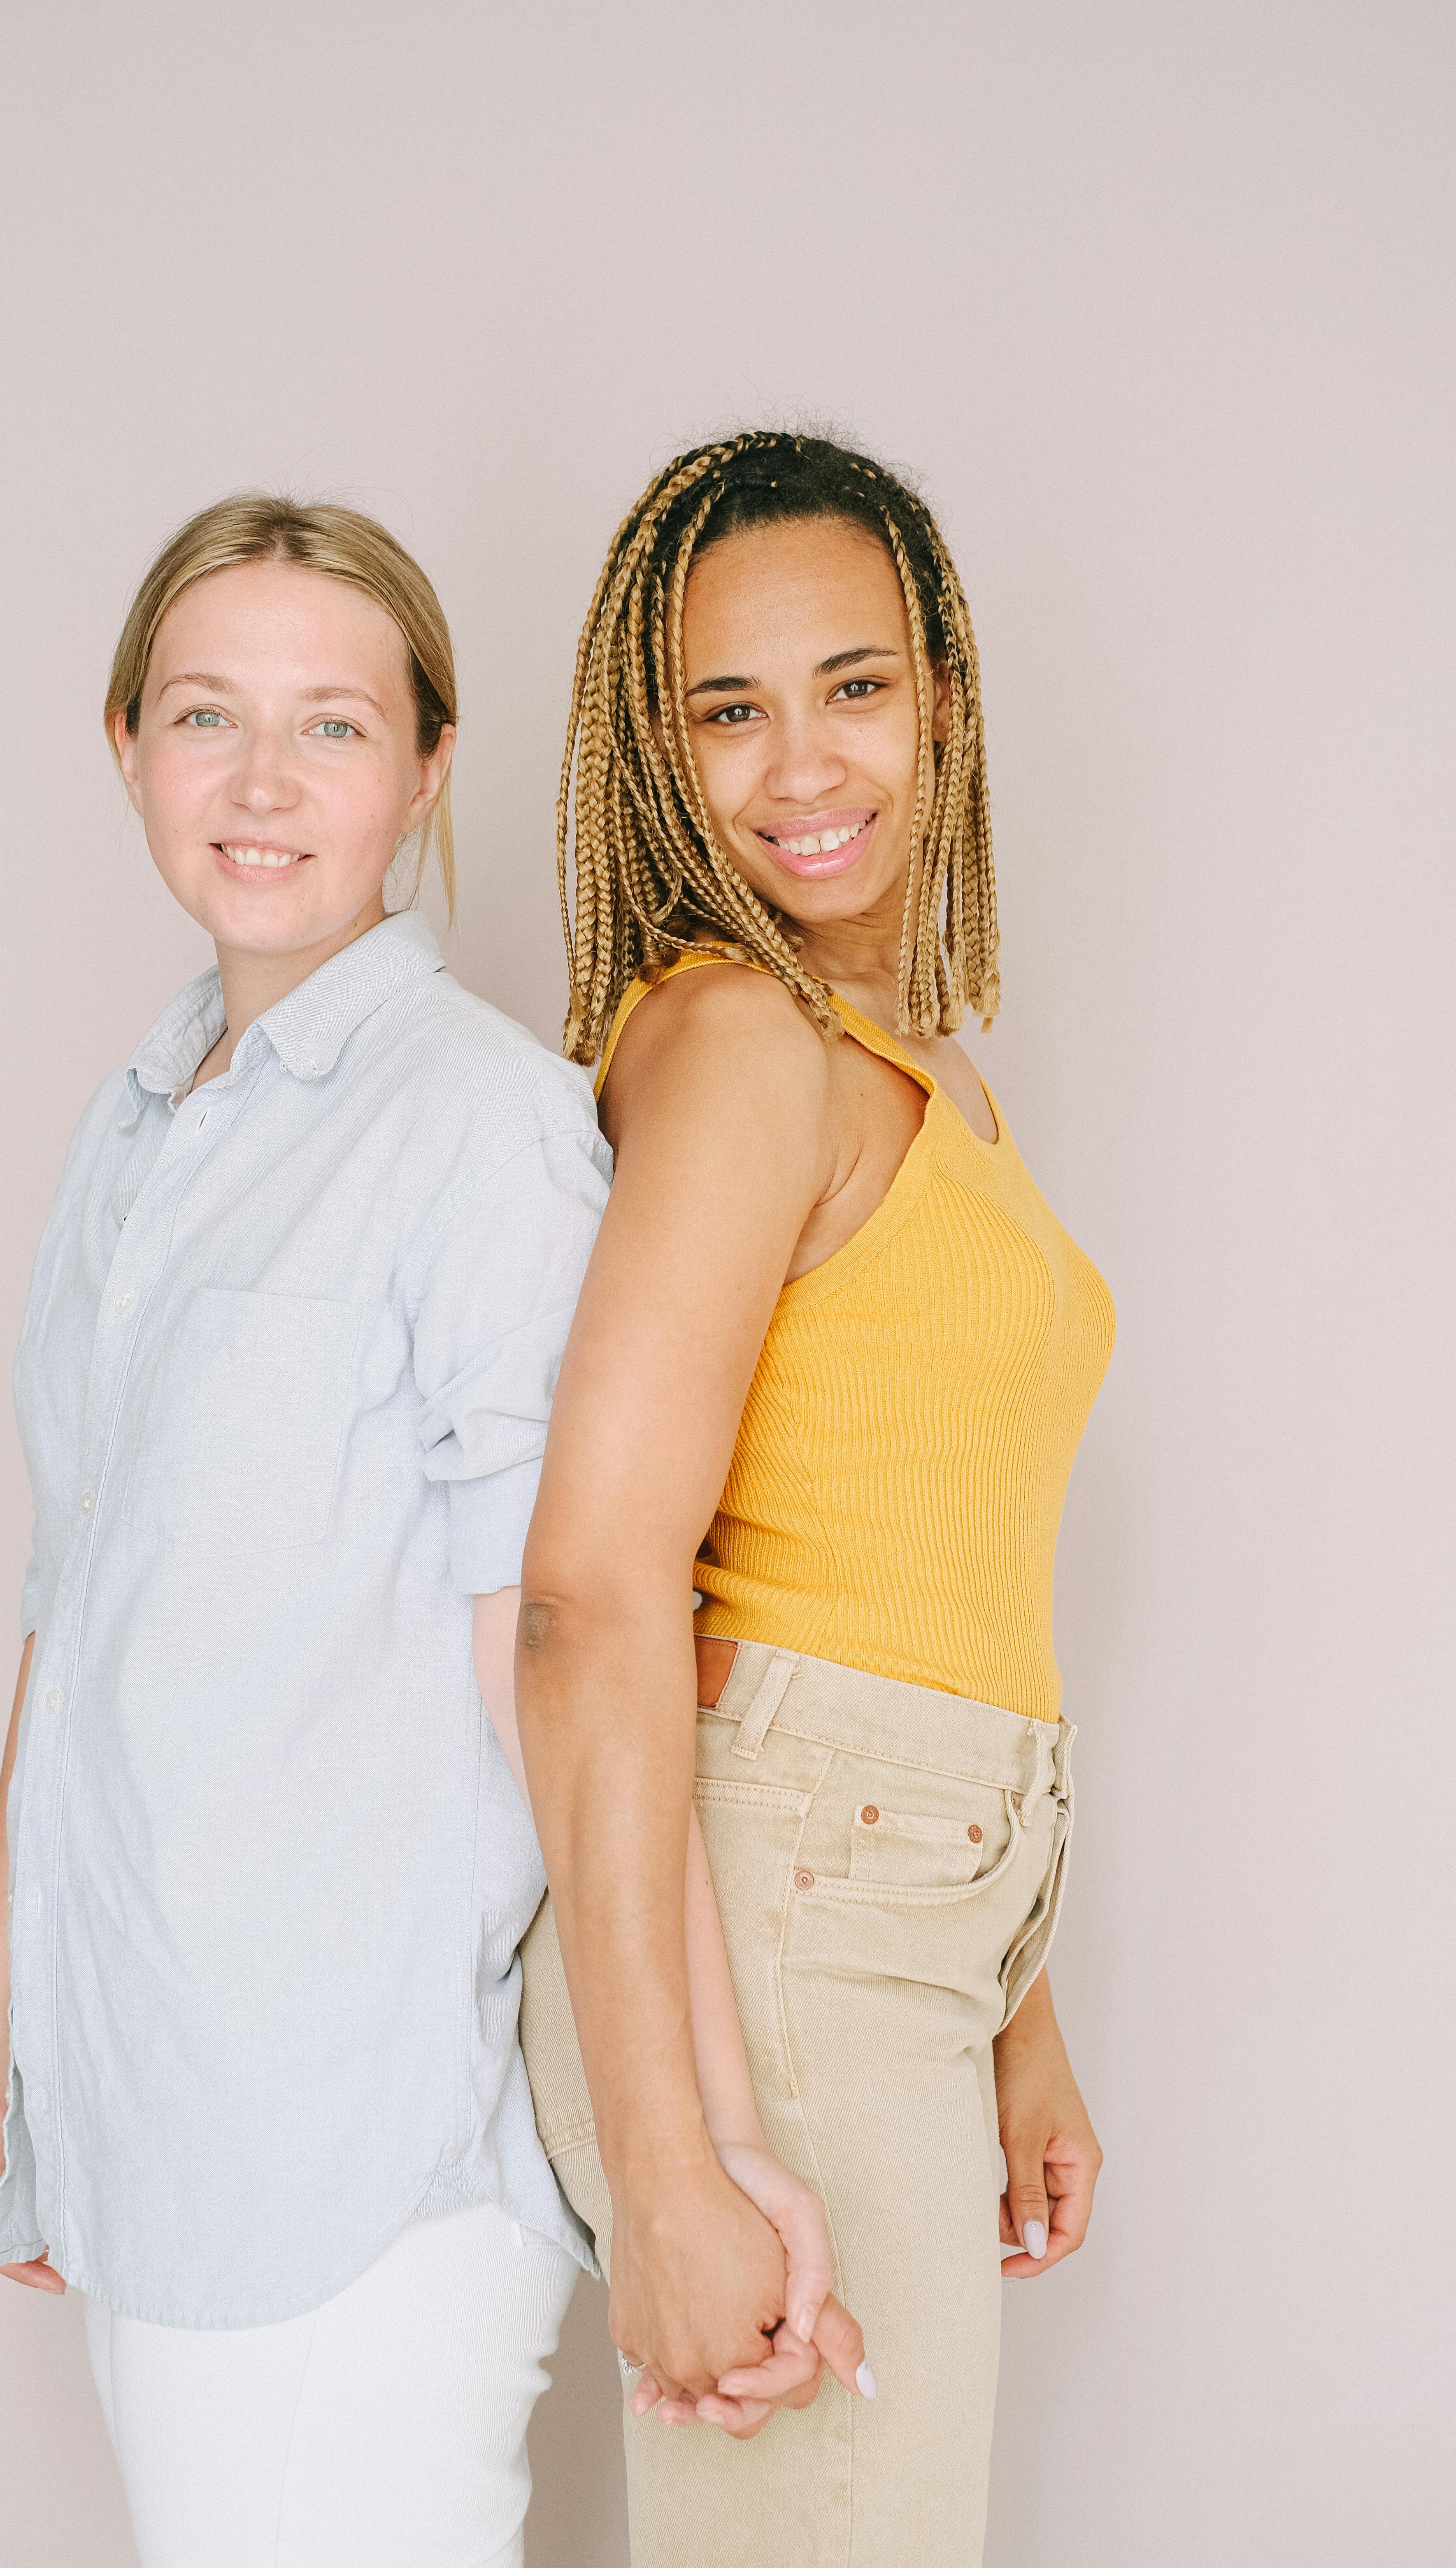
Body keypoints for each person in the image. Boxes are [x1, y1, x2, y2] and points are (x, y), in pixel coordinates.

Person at [0, 493, 622, 2567]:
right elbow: (78, 1607)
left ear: (427, 769)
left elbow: (564, 1643)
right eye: (205, 713)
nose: (260, 782)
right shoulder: (137, 1125)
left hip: (354, 2129)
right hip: (145, 2080)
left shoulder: (480, 1122)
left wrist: (680, 2135)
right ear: (125, 738)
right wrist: (2, 2026)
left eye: (332, 726)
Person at [516, 430, 1114, 2565]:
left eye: (851, 685)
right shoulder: (739, 1048)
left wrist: (1010, 2014)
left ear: (940, 694)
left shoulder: (910, 1064)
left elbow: (928, 1551)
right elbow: (592, 1593)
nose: (800, 766)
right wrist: (675, 2170)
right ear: (653, 750)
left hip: (896, 1944)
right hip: (774, 1952)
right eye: (725, 707)